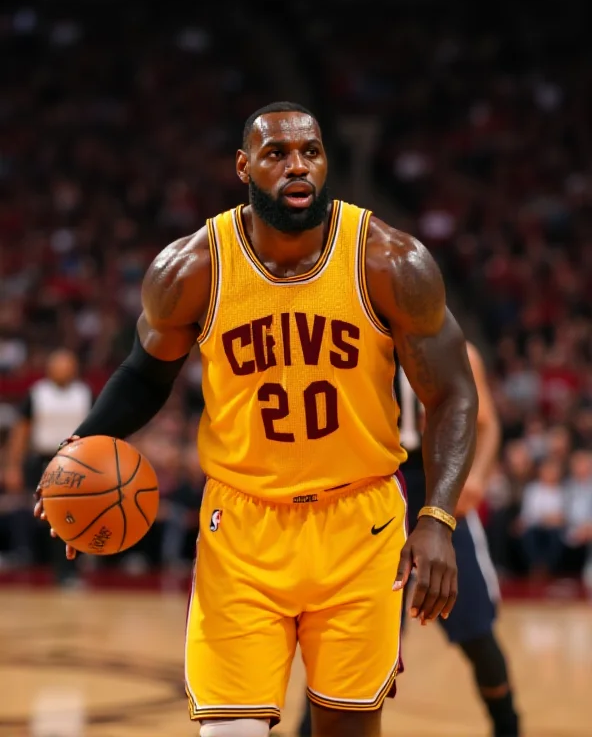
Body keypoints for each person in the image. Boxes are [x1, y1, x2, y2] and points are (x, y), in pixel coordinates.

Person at [35, 102, 478, 737]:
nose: (297, 166)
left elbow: (454, 393)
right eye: (277, 154)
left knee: (346, 728)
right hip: (242, 526)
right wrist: (78, 455)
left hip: (360, 522)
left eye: (311, 152)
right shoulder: (192, 269)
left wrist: (437, 518)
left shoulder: (390, 263)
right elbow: (143, 374)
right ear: (244, 166)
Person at [299, 341, 520, 736]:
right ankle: (306, 728)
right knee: (349, 630)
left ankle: (508, 724)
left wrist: (480, 477)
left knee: (475, 628)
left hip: (437, 486)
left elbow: (487, 424)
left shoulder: (457, 349)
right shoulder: (355, 341)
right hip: (372, 490)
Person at [4, 349, 92, 584]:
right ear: (49, 368)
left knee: (71, 518)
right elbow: (21, 431)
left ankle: (69, 570)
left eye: (68, 365)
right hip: (44, 460)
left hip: (78, 461)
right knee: (49, 518)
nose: (64, 370)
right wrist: (13, 465)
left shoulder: (85, 394)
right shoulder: (37, 394)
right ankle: (51, 568)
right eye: (59, 365)